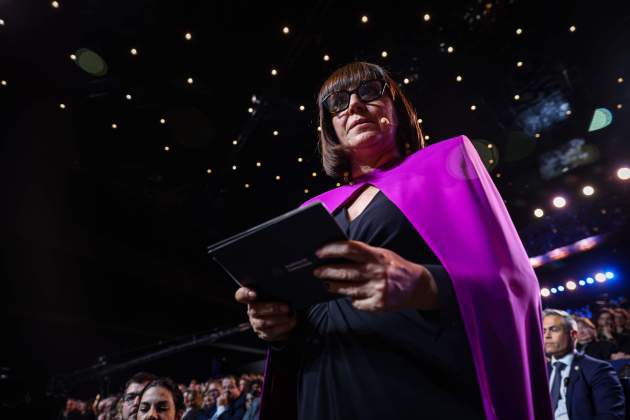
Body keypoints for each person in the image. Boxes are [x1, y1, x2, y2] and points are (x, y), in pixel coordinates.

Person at [235, 62, 551, 419]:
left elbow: (516, 283)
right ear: (330, 128)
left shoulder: (446, 162)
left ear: (396, 109)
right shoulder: (311, 209)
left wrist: (424, 284)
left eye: (369, 91)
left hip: (414, 387)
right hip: (321, 390)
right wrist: (277, 328)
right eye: (337, 102)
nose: (353, 105)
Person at [543, 309, 625, 420]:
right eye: (543, 331)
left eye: (554, 329)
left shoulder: (598, 369)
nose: (547, 335)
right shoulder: (541, 372)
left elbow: (610, 416)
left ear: (573, 335)